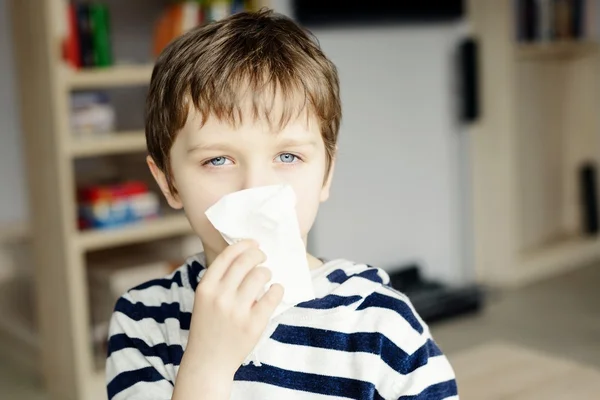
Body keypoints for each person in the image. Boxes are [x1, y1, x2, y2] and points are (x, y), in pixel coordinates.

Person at [105, 8, 458, 400]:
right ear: (169, 182)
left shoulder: (379, 322)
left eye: (287, 157)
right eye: (217, 160)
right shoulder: (142, 320)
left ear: (326, 174)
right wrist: (208, 362)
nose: (256, 189)